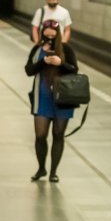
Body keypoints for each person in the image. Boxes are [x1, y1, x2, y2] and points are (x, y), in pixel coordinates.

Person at [25, 19, 79, 183]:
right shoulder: (37, 49)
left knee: (58, 134)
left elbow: (75, 69)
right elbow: (28, 70)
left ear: (58, 33)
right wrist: (43, 61)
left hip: (62, 99)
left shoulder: (66, 49)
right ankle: (41, 167)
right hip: (42, 98)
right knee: (40, 135)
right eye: (46, 32)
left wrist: (60, 63)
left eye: (52, 32)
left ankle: (53, 171)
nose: (49, 35)